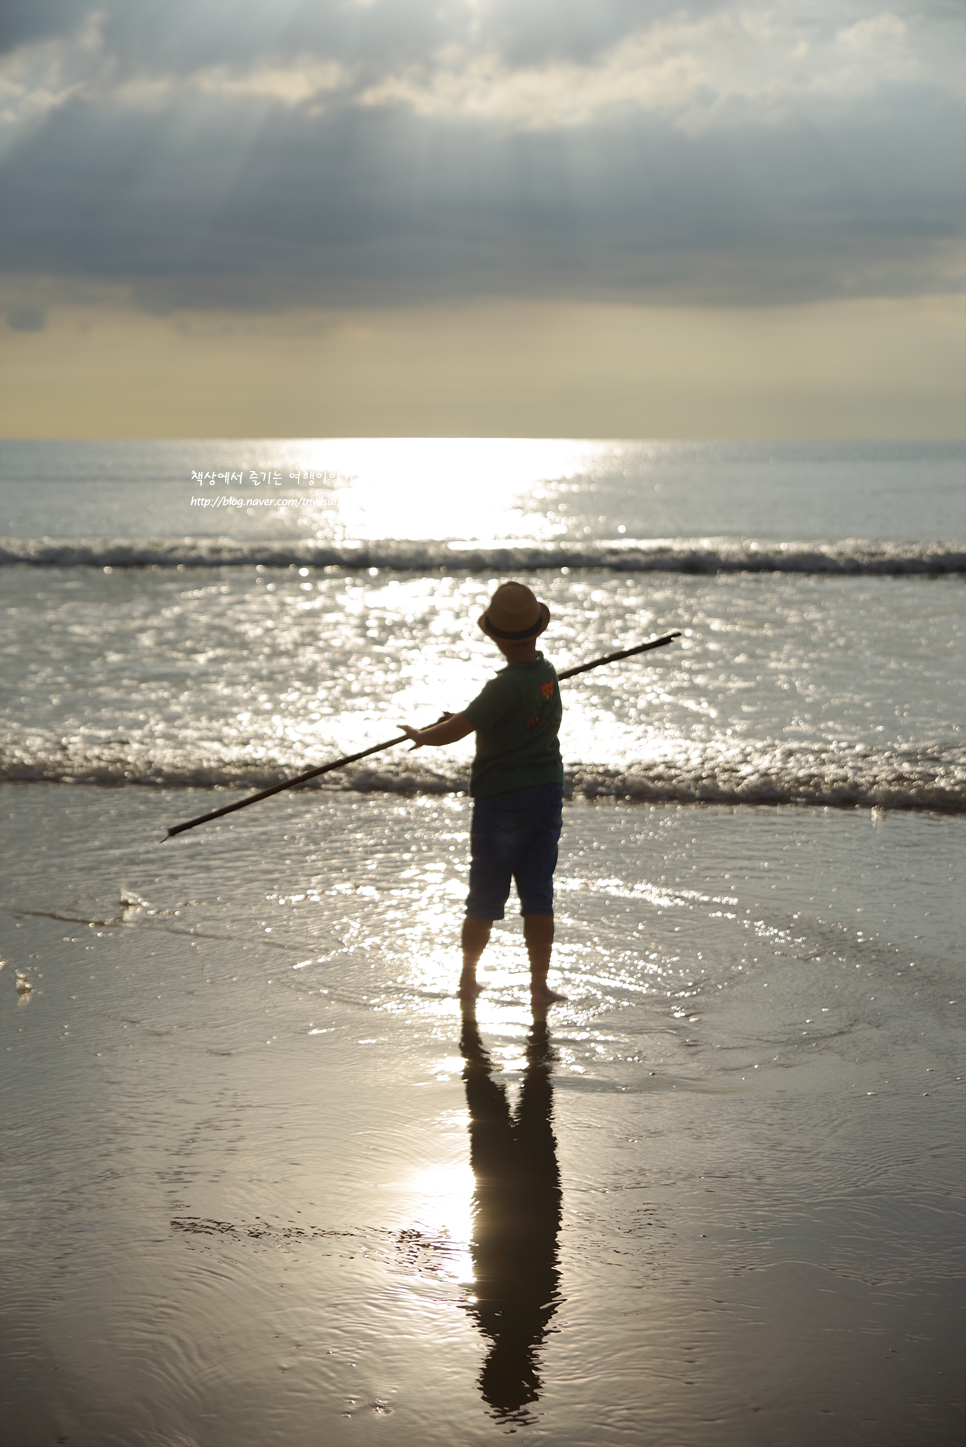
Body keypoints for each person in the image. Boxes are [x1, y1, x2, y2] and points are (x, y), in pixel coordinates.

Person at [399, 581, 567, 1007]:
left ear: (494, 635)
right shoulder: (546, 675)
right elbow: (497, 715)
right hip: (547, 792)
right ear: (537, 630)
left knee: (486, 894)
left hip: (503, 800)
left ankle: (468, 978)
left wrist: (424, 735)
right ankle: (539, 986)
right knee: (538, 894)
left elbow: (460, 728)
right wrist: (461, 717)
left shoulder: (503, 686)